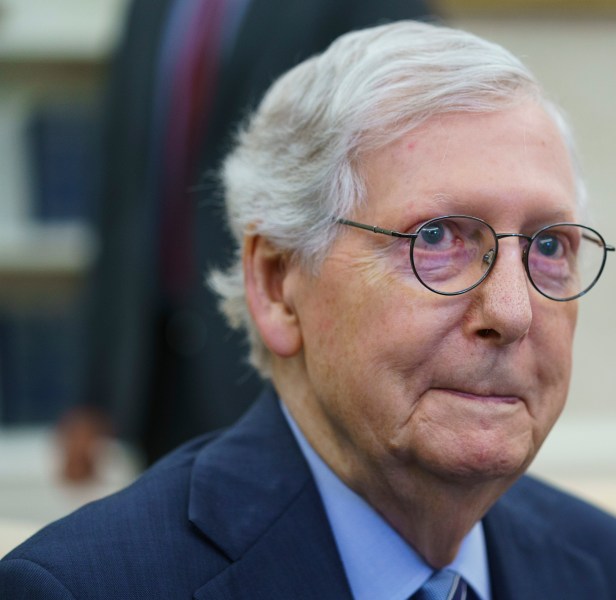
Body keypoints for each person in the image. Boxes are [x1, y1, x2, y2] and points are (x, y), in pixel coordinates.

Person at [1, 21, 616, 599]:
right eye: (437, 238)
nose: (512, 311)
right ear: (277, 285)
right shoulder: (84, 588)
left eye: (549, 246)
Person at [59, 0, 430, 480]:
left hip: (292, 366)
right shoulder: (149, 9)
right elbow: (119, 196)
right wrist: (94, 391)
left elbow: (414, 152)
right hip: (159, 373)